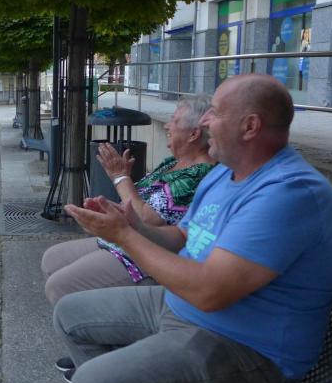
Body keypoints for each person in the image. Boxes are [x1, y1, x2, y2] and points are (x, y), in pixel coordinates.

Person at [55, 74, 332, 383]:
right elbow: (181, 238)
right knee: (68, 314)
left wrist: (124, 237)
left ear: (250, 126)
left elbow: (210, 292)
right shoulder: (225, 173)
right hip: (182, 308)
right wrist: (133, 225)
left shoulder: (288, 193)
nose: (205, 121)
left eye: (216, 112)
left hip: (247, 351)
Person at [41, 95, 215, 305]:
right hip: (122, 240)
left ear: (194, 134)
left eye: (174, 120)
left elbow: (146, 218)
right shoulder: (173, 162)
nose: (167, 125)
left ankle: (94, 318)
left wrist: (120, 177)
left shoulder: (198, 173)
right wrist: (109, 209)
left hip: (145, 255)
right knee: (52, 258)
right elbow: (137, 204)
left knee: (59, 286)